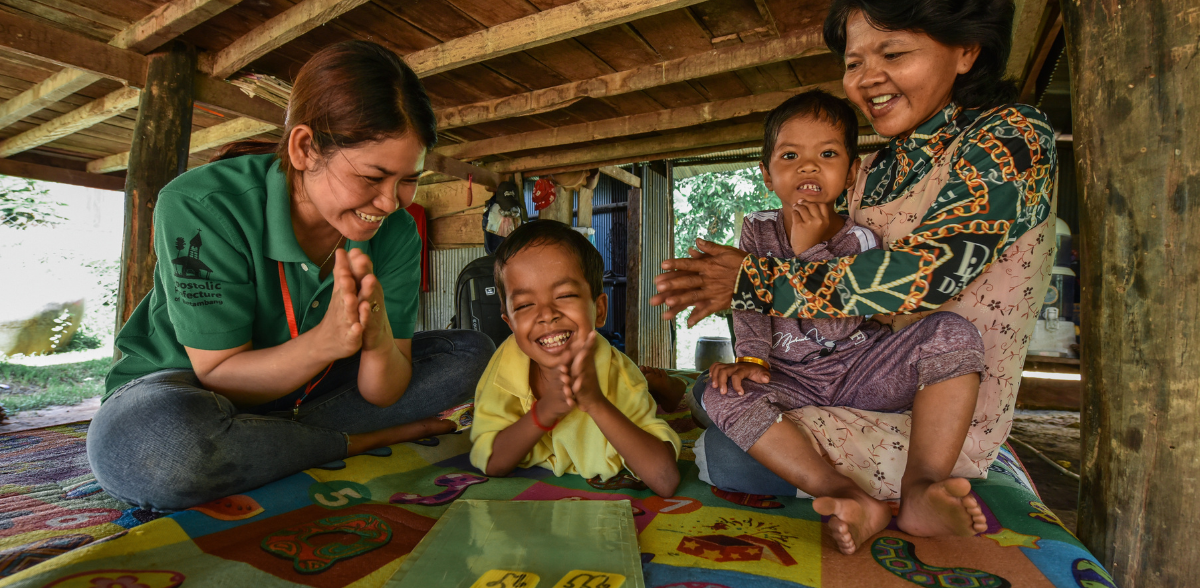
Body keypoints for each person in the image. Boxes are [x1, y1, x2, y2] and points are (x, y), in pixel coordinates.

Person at [653, 0, 1058, 555]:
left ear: (967, 51)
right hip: (849, 375)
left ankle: (921, 486)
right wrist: (746, 305)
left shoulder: (1011, 136)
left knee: (725, 457)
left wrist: (757, 281)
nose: (869, 79)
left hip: (935, 397)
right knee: (714, 395)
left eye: (893, 53)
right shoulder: (875, 168)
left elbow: (934, 272)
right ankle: (854, 491)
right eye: (853, 62)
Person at [88, 41, 496, 512]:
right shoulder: (202, 204)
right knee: (164, 453)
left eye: (409, 179)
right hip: (188, 391)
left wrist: (379, 333)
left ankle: (270, 444)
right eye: (372, 177)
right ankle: (352, 441)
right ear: (305, 148)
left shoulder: (398, 231)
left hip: (309, 392)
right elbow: (220, 375)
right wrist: (326, 342)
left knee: (469, 355)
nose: (392, 202)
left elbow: (383, 390)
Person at [704, 90, 988, 555]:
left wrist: (810, 249)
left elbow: (837, 328)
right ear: (766, 173)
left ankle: (922, 489)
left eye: (828, 154)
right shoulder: (757, 228)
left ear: (851, 172)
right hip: (790, 377)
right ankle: (843, 492)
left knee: (952, 331)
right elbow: (748, 298)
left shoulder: (859, 238)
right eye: (791, 155)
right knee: (718, 391)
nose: (809, 167)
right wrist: (750, 357)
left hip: (863, 371)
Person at [469, 221, 681, 497]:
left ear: (599, 310)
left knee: (662, 392)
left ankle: (668, 388)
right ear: (510, 323)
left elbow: (665, 479)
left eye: (565, 295)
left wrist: (595, 402)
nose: (546, 314)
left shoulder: (619, 374)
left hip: (622, 386)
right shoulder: (504, 368)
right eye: (524, 305)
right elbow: (492, 462)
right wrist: (547, 409)